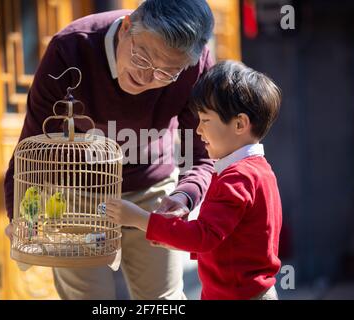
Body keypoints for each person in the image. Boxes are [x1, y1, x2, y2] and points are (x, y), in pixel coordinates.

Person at [4, 0, 215, 299]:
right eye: (142, 57)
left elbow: (202, 153)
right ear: (127, 27)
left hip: (153, 192)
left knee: (162, 300)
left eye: (165, 72)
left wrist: (185, 195)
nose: (146, 77)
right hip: (76, 192)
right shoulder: (70, 50)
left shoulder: (195, 64)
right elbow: (33, 148)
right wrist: (22, 216)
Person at [106, 60, 283, 300]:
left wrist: (139, 219)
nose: (198, 130)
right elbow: (225, 241)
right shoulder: (256, 170)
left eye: (205, 120)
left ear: (239, 124)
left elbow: (203, 237)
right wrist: (168, 236)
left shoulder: (238, 177)